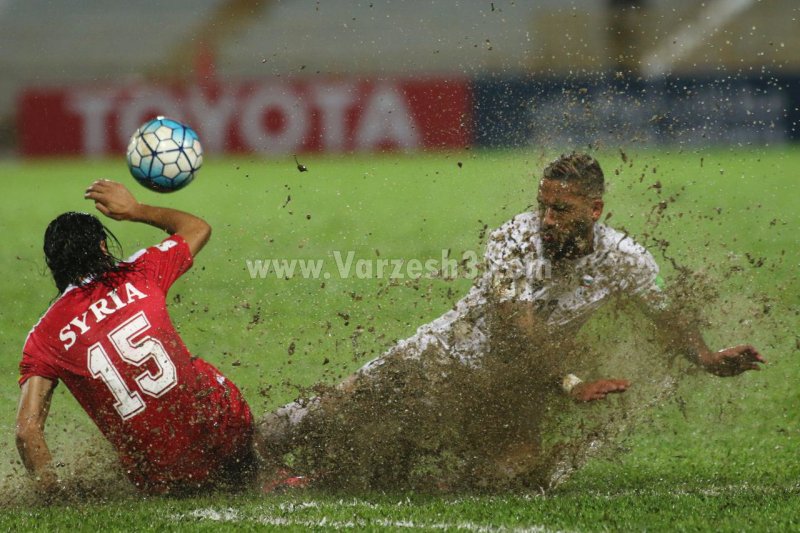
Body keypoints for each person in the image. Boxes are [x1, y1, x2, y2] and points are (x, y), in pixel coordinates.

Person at [259, 152, 766, 471]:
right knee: (332, 410)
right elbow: (518, 331)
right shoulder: (513, 239)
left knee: (515, 478)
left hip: (514, 387)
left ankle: (326, 478)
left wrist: (706, 357)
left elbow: (667, 315)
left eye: (560, 210)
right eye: (543, 205)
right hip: (446, 357)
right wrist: (571, 383)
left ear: (595, 210)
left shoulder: (627, 260)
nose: (546, 219)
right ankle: (240, 446)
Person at [15, 180, 255, 497]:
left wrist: (53, 497)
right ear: (103, 247)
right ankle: (259, 461)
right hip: (225, 433)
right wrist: (136, 210)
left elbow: (26, 430)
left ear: (53, 265)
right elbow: (197, 228)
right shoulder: (141, 270)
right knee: (202, 377)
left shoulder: (44, 337)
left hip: (163, 479)